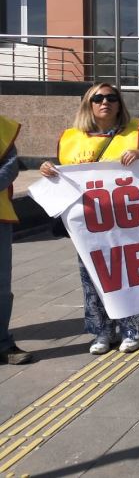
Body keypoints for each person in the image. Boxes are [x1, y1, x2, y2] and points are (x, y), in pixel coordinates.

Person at [39, 83, 139, 355]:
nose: (105, 102)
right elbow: (60, 172)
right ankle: (102, 331)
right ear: (88, 105)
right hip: (88, 223)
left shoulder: (135, 132)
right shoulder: (71, 138)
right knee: (92, 276)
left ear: (119, 104)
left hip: (126, 220)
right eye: (98, 98)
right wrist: (46, 168)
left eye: (112, 97)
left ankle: (131, 329)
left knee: (127, 273)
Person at [0, 115, 31, 365]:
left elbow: (10, 167)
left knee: (1, 286)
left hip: (0, 217)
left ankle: (2, 343)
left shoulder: (3, 127)